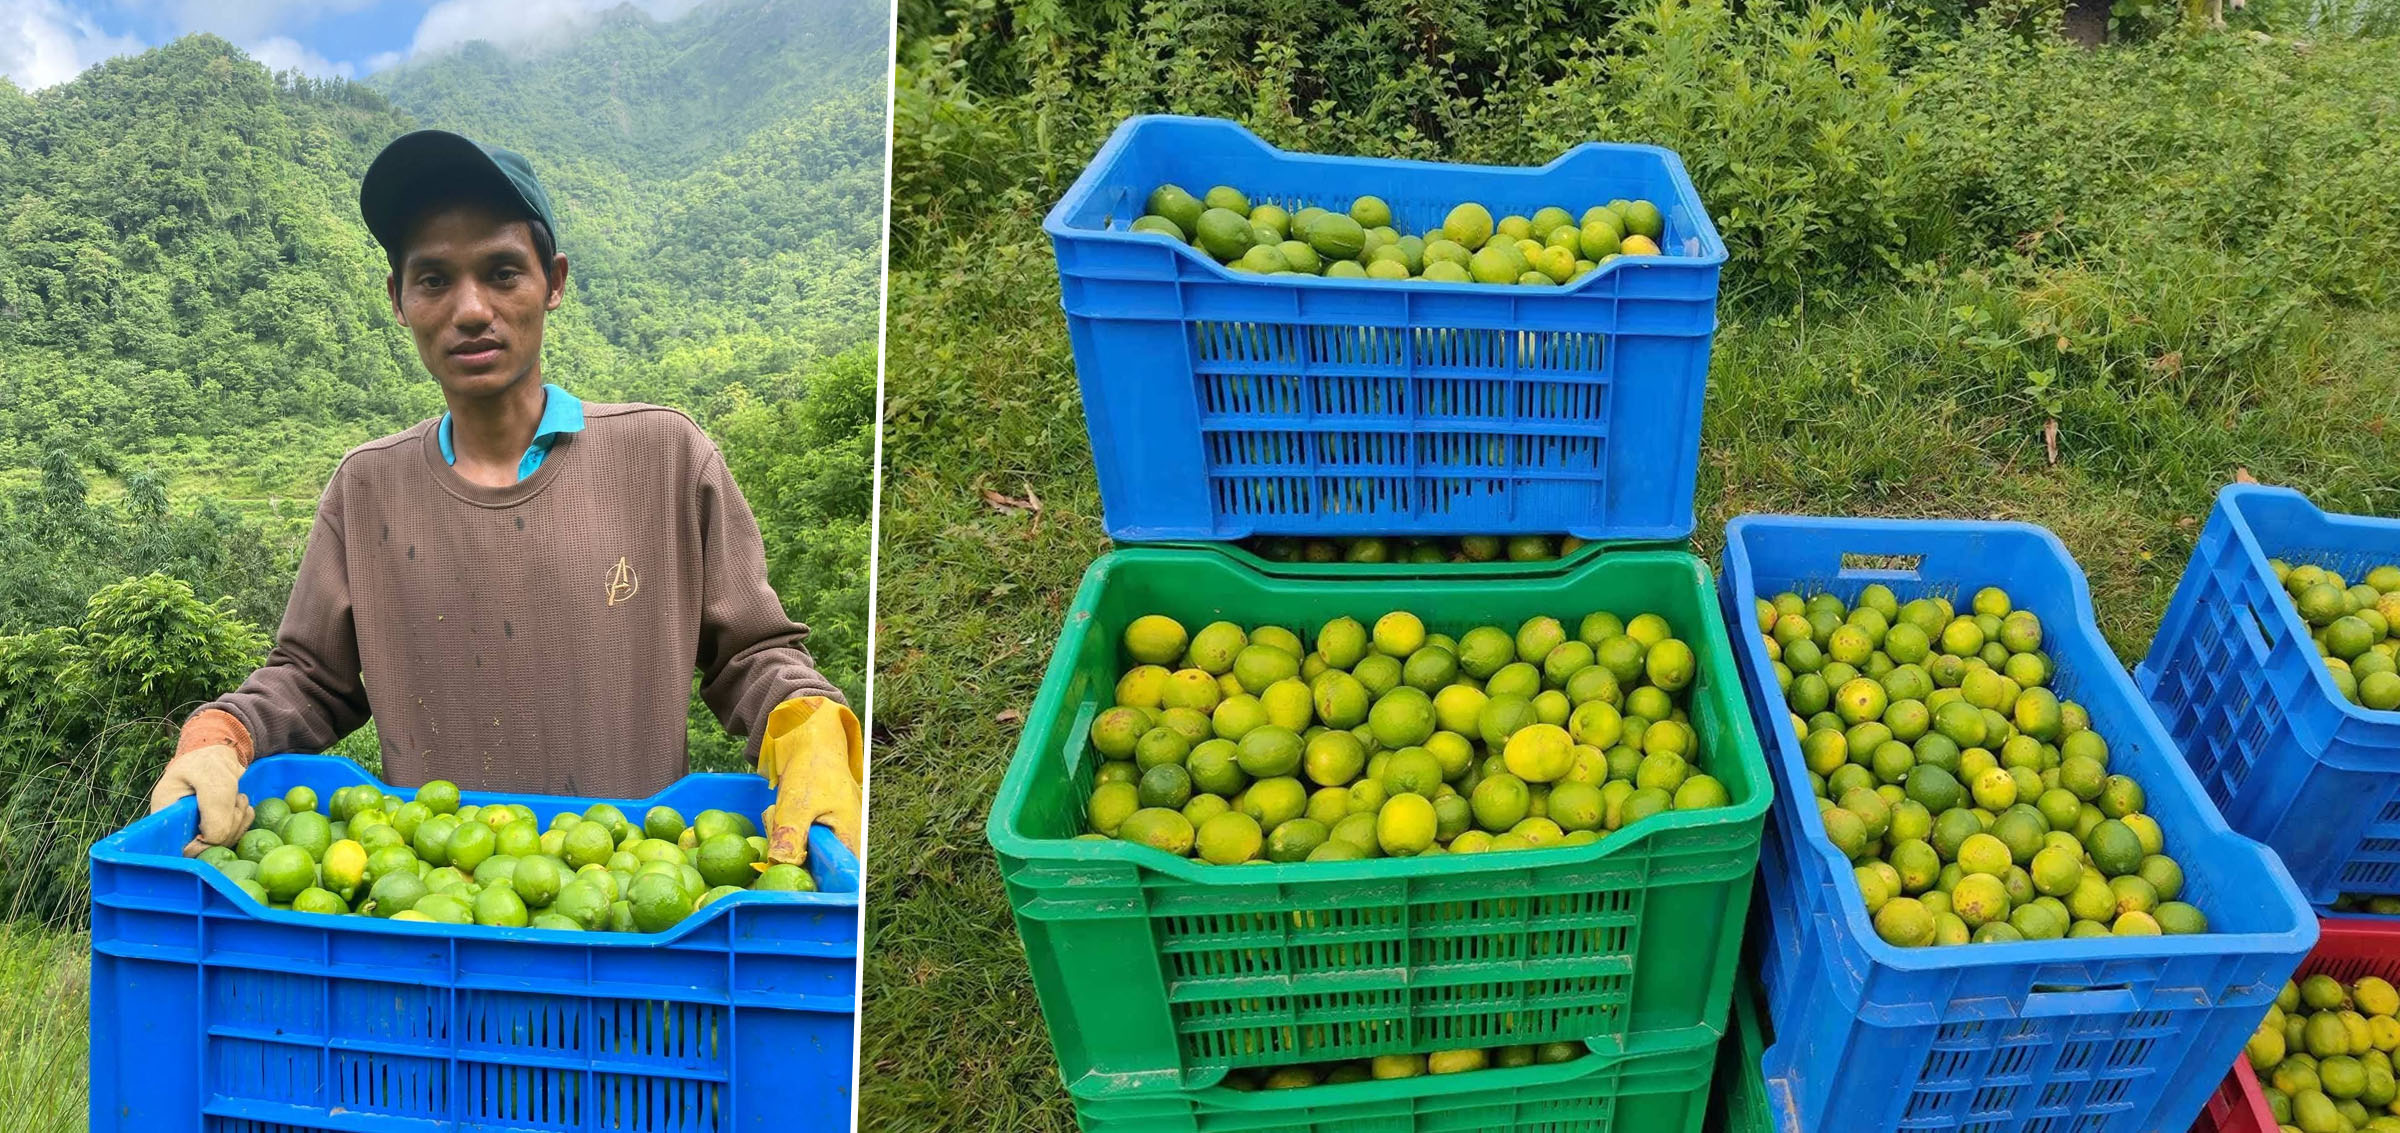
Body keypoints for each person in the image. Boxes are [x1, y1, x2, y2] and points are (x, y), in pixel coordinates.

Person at [144, 130, 861, 867]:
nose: (471, 308)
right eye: (433, 280)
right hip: (436, 912)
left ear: (553, 281)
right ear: (397, 300)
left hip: (629, 912)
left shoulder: (665, 456)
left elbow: (753, 653)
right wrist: (219, 735)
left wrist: (809, 725)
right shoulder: (365, 488)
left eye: (502, 272)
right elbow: (308, 677)